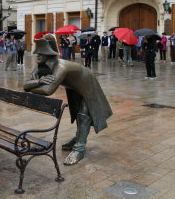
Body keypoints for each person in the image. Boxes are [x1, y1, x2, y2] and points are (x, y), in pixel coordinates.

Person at [24, 37, 112, 165]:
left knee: (83, 115)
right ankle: (78, 137)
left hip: (87, 82)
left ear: (49, 54)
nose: (37, 55)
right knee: (76, 110)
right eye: (37, 52)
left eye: (41, 53)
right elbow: (25, 85)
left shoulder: (61, 67)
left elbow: (48, 90)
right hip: (73, 86)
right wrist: (38, 81)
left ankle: (79, 148)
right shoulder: (40, 66)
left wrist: (33, 86)